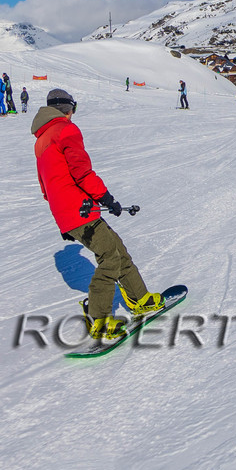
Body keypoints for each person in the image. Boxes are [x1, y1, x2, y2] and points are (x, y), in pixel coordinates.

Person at [31, 88, 163, 342]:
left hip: (68, 211)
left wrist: (64, 220)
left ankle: (141, 298)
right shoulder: (66, 130)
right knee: (110, 257)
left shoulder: (42, 139)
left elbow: (45, 184)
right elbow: (81, 171)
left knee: (117, 248)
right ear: (68, 109)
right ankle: (98, 318)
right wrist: (106, 198)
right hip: (80, 207)